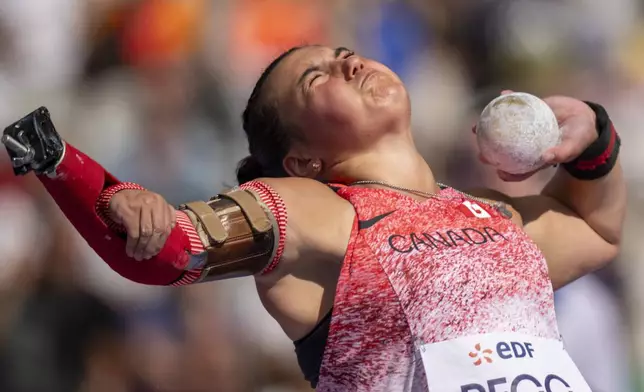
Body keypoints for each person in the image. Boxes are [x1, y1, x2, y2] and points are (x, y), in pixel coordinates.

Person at [2, 45, 625, 391]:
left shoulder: (491, 216)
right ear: (301, 158)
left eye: (343, 53)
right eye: (315, 78)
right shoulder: (316, 211)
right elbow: (171, 252)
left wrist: (595, 136)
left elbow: (597, 231)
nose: (349, 63)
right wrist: (72, 168)